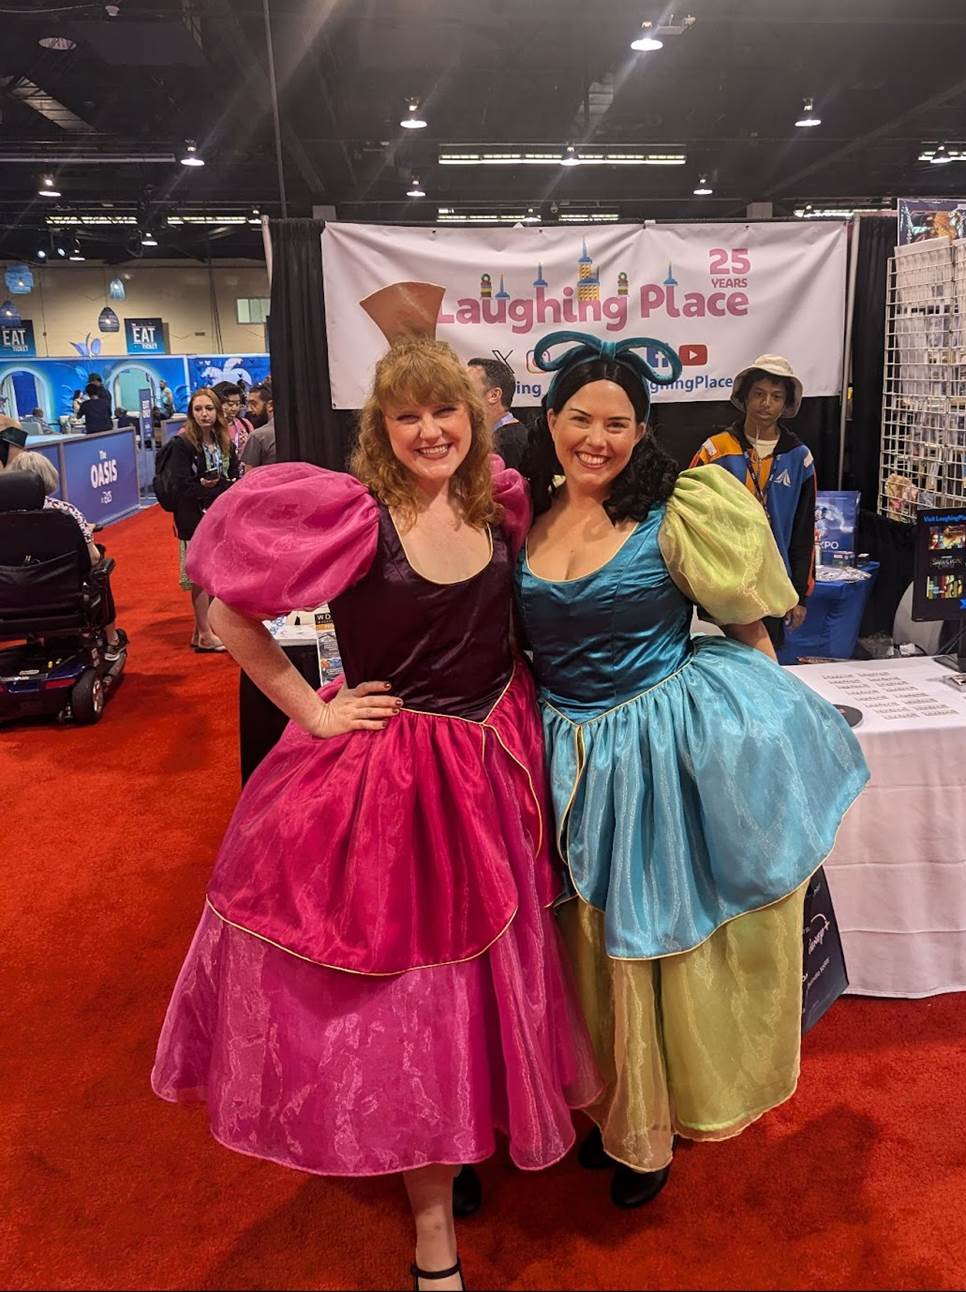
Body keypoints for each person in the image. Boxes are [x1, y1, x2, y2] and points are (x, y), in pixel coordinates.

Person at [151, 338, 598, 1292]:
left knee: (484, 976)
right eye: (408, 416)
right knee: (411, 998)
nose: (430, 431)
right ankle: (434, 1234)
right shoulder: (354, 519)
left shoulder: (500, 504)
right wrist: (312, 712)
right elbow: (226, 610)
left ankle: (472, 1129)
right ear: (381, 429)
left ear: (477, 417)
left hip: (496, 765)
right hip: (395, 785)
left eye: (446, 411)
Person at [515, 332, 868, 1208]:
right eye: (579, 419)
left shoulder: (680, 510)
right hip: (556, 755)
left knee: (653, 942)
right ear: (550, 421)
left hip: (654, 755)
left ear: (642, 430)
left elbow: (749, 626)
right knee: (582, 940)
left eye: (617, 423)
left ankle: (654, 1128)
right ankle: (611, 1103)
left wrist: (771, 737)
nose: (596, 439)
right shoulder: (520, 517)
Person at [690, 354, 817, 650]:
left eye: (776, 396)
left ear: (786, 404)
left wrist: (799, 595)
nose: (766, 403)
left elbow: (804, 532)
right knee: (720, 663)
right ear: (745, 397)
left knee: (764, 665)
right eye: (758, 393)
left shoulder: (799, 458)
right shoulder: (715, 450)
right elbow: (688, 519)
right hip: (721, 582)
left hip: (772, 586)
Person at [2, 436, 126, 660]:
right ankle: (112, 641)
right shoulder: (65, 513)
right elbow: (92, 558)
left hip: (9, 601)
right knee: (101, 570)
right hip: (63, 599)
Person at [160, 388, 240, 651]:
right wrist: (212, 488)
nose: (204, 414)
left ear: (217, 411)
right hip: (193, 517)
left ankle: (201, 631)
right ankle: (205, 634)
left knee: (214, 575)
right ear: (191, 413)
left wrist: (219, 487)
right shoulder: (182, 444)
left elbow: (232, 475)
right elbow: (182, 485)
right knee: (201, 577)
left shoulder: (222, 440)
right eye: (198, 409)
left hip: (218, 514)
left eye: (208, 408)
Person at [467, 356, 529, 471]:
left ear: (494, 395)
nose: (458, 394)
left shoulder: (510, 444)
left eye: (467, 387)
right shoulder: (489, 437)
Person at [239, 381, 275, 469]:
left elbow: (249, 474)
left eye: (253, 404)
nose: (249, 409)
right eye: (248, 404)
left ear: (270, 405)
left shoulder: (257, 436)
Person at [213, 382, 254, 456]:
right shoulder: (211, 427)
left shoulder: (245, 424)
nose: (234, 408)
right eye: (230, 404)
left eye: (237, 404)